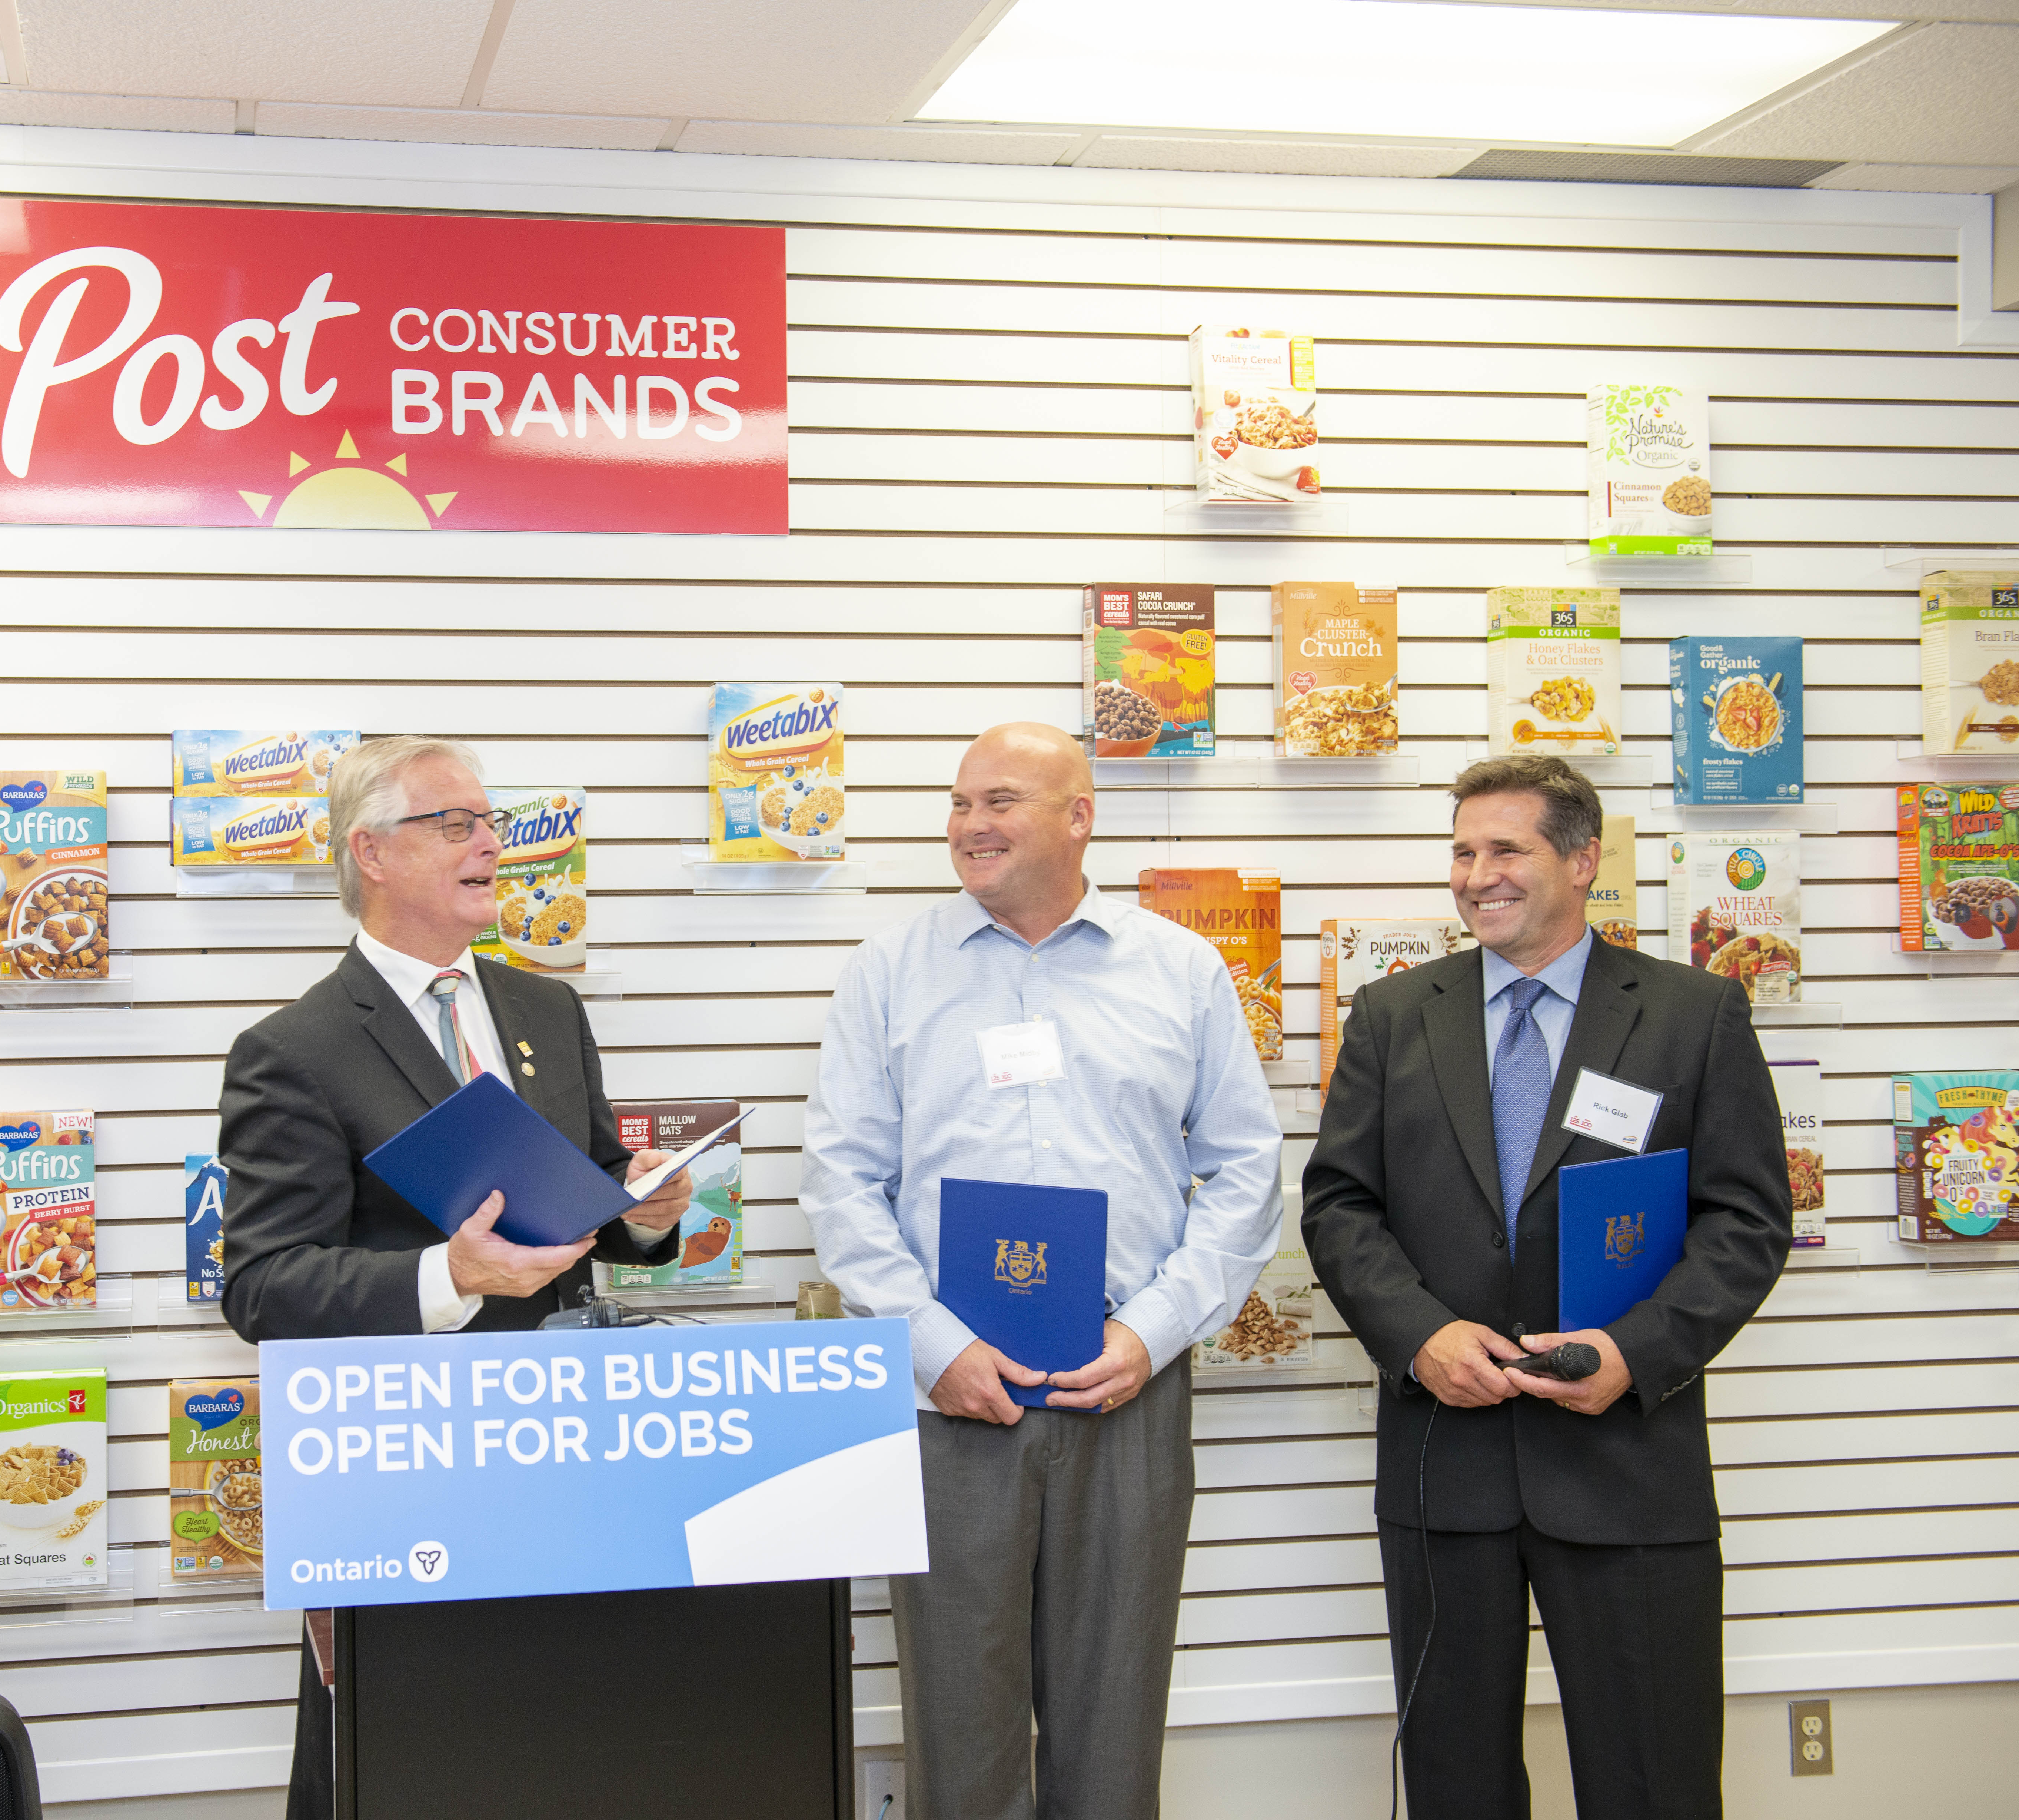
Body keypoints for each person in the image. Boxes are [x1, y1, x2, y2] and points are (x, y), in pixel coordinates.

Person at [801, 723, 1283, 1820]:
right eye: (962, 802)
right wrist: (936, 1347)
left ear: (1081, 816)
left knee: (1115, 1723)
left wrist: (1152, 1335)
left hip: (1128, 1380)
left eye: (1003, 801)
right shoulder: (889, 972)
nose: (972, 824)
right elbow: (839, 1181)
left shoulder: (1181, 970)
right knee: (959, 1727)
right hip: (951, 1398)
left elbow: (1249, 1172)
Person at [1302, 755, 1791, 1820]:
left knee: (1653, 1781)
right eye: (1464, 853)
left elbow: (1747, 1223)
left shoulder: (1691, 1013)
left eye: (1506, 849)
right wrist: (1422, 1336)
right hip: (1448, 1464)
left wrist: (1637, 1354)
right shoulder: (1392, 1016)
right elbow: (1340, 1207)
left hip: (1628, 1464)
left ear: (1581, 861)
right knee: (1457, 1785)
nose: (1479, 876)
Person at [217, 735, 695, 1820]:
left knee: (560, 1751)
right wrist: (450, 1277)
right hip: (405, 1470)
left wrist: (647, 1211)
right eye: (457, 825)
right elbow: (266, 1286)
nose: (493, 842)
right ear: (371, 854)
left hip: (570, 1449)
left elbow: (585, 1199)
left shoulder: (545, 1012)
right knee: (410, 1769)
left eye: (491, 821)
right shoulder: (294, 1049)